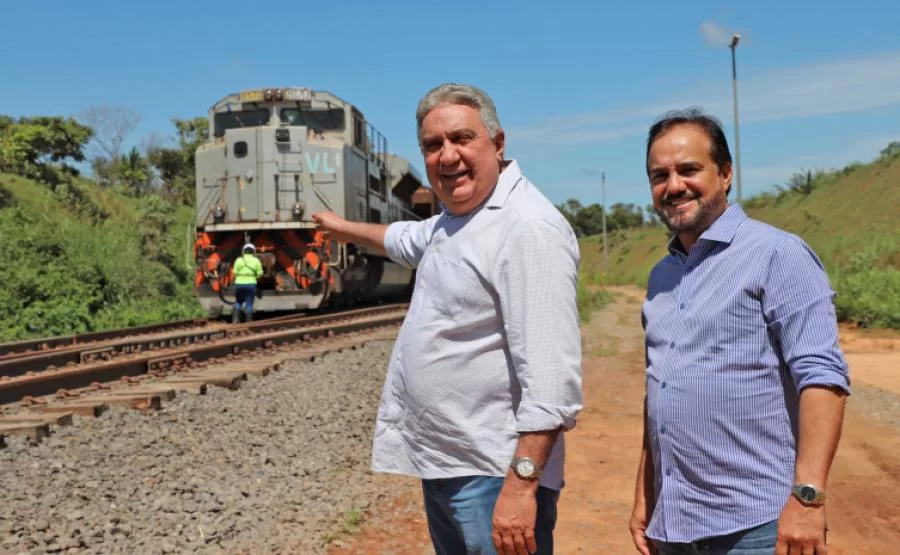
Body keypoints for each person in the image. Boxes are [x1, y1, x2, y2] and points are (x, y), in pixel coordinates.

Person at [312, 83, 583, 555]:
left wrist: (521, 487)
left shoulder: (526, 229)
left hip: (494, 474)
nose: (447, 155)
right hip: (448, 465)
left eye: (462, 139)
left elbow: (552, 382)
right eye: (433, 146)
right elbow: (400, 237)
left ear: (498, 144)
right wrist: (340, 227)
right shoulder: (452, 222)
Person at [629, 108, 850, 555]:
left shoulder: (778, 255)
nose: (673, 186)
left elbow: (823, 378)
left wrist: (807, 499)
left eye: (689, 169)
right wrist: (645, 495)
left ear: (726, 173)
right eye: (660, 175)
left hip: (756, 526)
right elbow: (661, 393)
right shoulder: (661, 277)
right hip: (674, 522)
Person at [231, 242, 263, 323]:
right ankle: (248, 320)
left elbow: (234, 272)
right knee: (249, 302)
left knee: (238, 301)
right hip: (251, 284)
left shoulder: (239, 260)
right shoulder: (256, 260)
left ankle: (235, 319)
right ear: (253, 251)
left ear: (243, 251)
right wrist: (255, 277)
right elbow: (260, 273)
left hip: (239, 284)